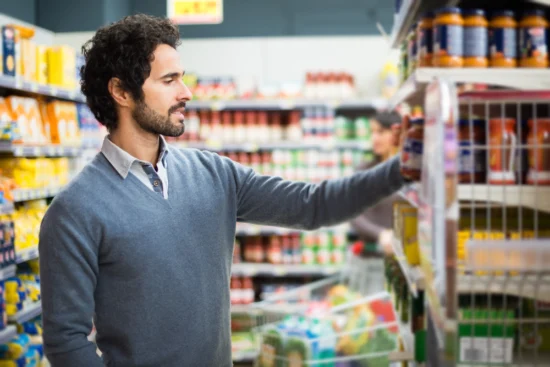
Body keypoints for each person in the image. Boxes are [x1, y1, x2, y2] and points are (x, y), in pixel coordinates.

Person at [38, 14, 409, 367]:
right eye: (169, 81)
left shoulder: (215, 174)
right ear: (120, 90)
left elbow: (314, 206)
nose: (186, 92)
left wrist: (403, 165)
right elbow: (65, 339)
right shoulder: (75, 210)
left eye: (182, 78)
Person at [350, 111, 403, 254]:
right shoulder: (364, 170)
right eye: (372, 132)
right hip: (369, 255)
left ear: (397, 133)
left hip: (405, 257)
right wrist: (381, 234)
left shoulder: (411, 171)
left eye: (380, 132)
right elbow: (351, 214)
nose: (374, 138)